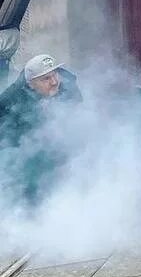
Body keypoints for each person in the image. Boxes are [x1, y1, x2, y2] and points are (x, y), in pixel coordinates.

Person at [0, 54, 83, 200]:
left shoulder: (68, 85)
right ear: (31, 84)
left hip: (59, 145)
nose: (54, 81)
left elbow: (78, 115)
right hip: (26, 151)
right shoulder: (12, 100)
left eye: (55, 74)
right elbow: (6, 139)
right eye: (45, 78)